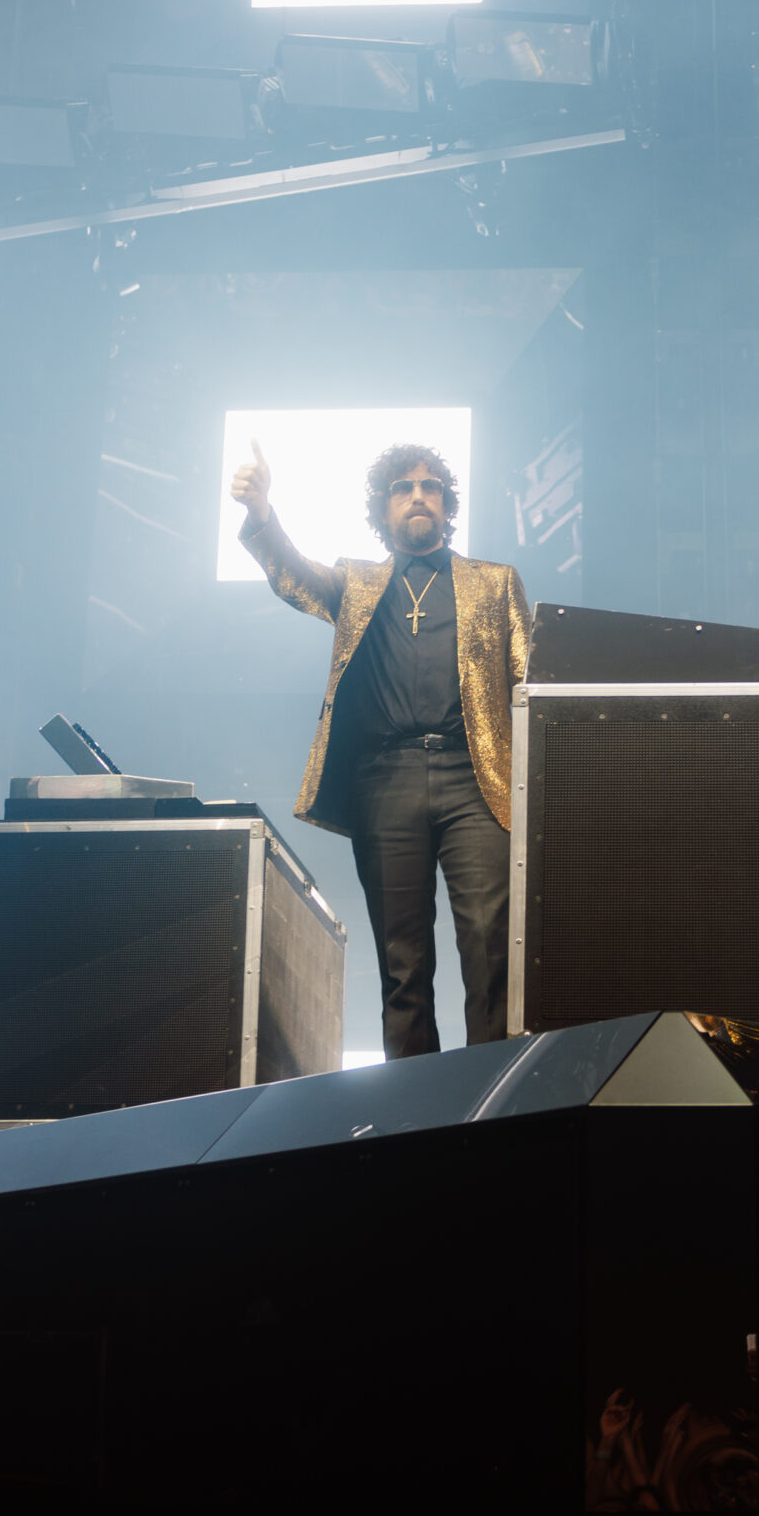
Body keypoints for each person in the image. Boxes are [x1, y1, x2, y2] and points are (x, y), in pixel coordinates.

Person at [230, 438, 532, 1059]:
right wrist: (262, 514)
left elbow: (531, 686)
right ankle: (417, 1105)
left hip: (476, 778)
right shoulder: (357, 581)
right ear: (382, 508)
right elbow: (294, 575)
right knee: (403, 963)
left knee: (492, 948)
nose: (418, 496)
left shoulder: (494, 582)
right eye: (403, 488)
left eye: (430, 487)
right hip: (387, 781)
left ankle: (497, 1098)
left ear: (447, 505)